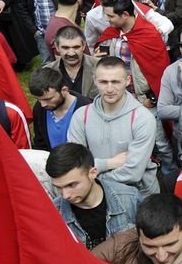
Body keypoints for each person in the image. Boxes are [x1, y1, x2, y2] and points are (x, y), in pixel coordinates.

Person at [67, 56, 160, 197]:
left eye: (115, 82)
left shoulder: (143, 118)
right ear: (94, 81)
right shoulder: (81, 115)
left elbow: (133, 173)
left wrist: (91, 178)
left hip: (139, 194)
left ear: (127, 81)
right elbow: (75, 163)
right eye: (103, 82)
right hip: (96, 194)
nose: (110, 88)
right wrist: (108, 163)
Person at [45, 142, 139, 249]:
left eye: (71, 185)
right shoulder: (54, 212)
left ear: (93, 173)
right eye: (58, 187)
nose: (65, 195)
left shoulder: (130, 198)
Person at [29, 67, 91, 151]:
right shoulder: (39, 109)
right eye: (38, 99)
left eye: (48, 99)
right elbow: (40, 142)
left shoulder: (87, 109)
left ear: (64, 90)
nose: (43, 104)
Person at [43, 25, 99, 100]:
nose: (71, 53)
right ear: (57, 47)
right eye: (65, 48)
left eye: (76, 47)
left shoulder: (100, 66)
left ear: (84, 46)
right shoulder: (47, 72)